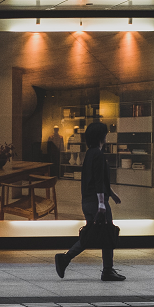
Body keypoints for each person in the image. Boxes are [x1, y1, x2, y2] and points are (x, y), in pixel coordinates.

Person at [55, 121, 125, 282]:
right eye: (105, 134)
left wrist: (112, 194)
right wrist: (102, 202)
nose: (107, 136)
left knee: (95, 233)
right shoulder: (98, 155)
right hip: (96, 202)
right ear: (102, 137)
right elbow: (99, 180)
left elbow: (95, 179)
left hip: (88, 201)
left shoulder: (90, 153)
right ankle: (104, 269)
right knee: (105, 234)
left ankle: (67, 259)